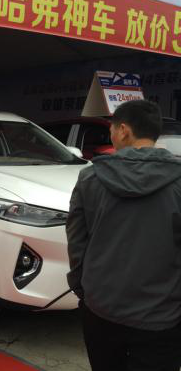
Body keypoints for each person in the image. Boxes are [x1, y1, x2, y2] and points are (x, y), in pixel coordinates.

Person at [66, 100, 181, 371]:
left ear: (123, 130)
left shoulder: (89, 178)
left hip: (101, 310)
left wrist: (84, 290)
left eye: (111, 129)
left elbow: (77, 242)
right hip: (161, 317)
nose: (111, 135)